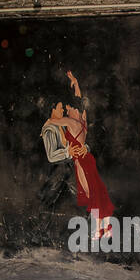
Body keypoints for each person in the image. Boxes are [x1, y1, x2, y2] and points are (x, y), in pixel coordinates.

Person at [43, 69, 114, 239]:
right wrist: (75, 83)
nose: (66, 111)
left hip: (81, 161)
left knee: (92, 193)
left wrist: (50, 118)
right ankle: (107, 227)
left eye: (67, 108)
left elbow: (52, 120)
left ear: (72, 110)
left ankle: (98, 230)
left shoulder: (71, 122)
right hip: (87, 158)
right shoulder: (82, 118)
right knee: (98, 189)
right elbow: (78, 99)